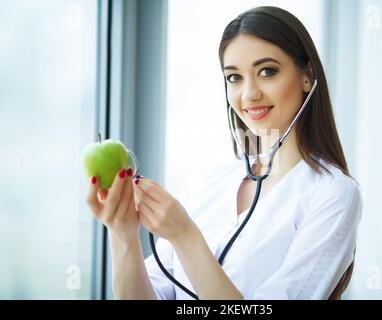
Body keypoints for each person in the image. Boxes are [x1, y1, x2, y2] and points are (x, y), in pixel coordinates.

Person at [85, 6, 362, 300]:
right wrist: (124, 234)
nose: (248, 94)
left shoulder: (333, 194)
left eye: (267, 71)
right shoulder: (206, 183)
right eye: (234, 78)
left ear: (308, 76)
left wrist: (185, 236)